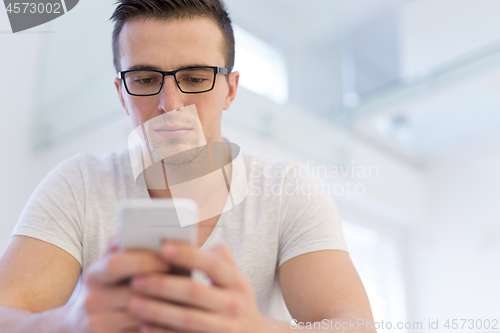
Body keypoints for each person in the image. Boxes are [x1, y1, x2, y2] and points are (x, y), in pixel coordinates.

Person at [0, 0, 376, 332]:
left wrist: (255, 330)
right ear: (121, 94)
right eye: (145, 79)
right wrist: (66, 323)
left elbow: (354, 325)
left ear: (230, 89)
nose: (170, 105)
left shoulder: (289, 191)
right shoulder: (79, 184)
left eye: (195, 79)